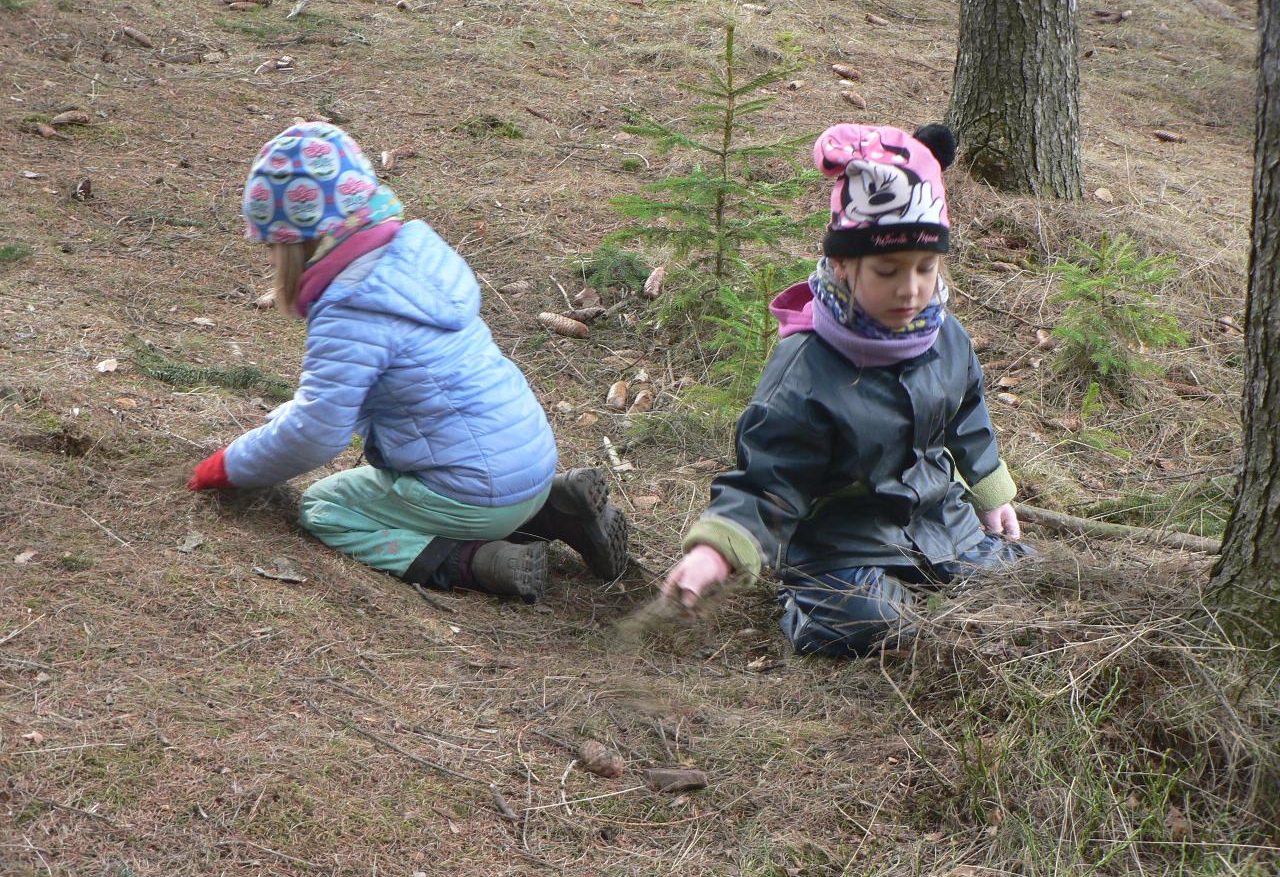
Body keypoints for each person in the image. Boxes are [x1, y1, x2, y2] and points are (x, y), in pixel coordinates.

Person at [187, 121, 628, 600]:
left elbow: (315, 432)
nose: (272, 261)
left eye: (272, 247)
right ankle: (559, 510)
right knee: (476, 481)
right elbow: (337, 396)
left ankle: (475, 561)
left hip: (476, 493)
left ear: (297, 243)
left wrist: (229, 466)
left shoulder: (351, 308)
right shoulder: (412, 259)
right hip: (532, 462)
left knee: (326, 507)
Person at [660, 122, 1032, 657]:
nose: (910, 289)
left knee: (1021, 586)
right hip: (842, 542)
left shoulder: (945, 335)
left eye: (925, 268)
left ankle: (936, 570)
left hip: (939, 520)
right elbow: (769, 480)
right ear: (843, 265)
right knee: (874, 622)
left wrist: (990, 493)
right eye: (887, 271)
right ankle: (807, 604)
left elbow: (966, 413)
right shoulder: (806, 368)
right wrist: (715, 551)